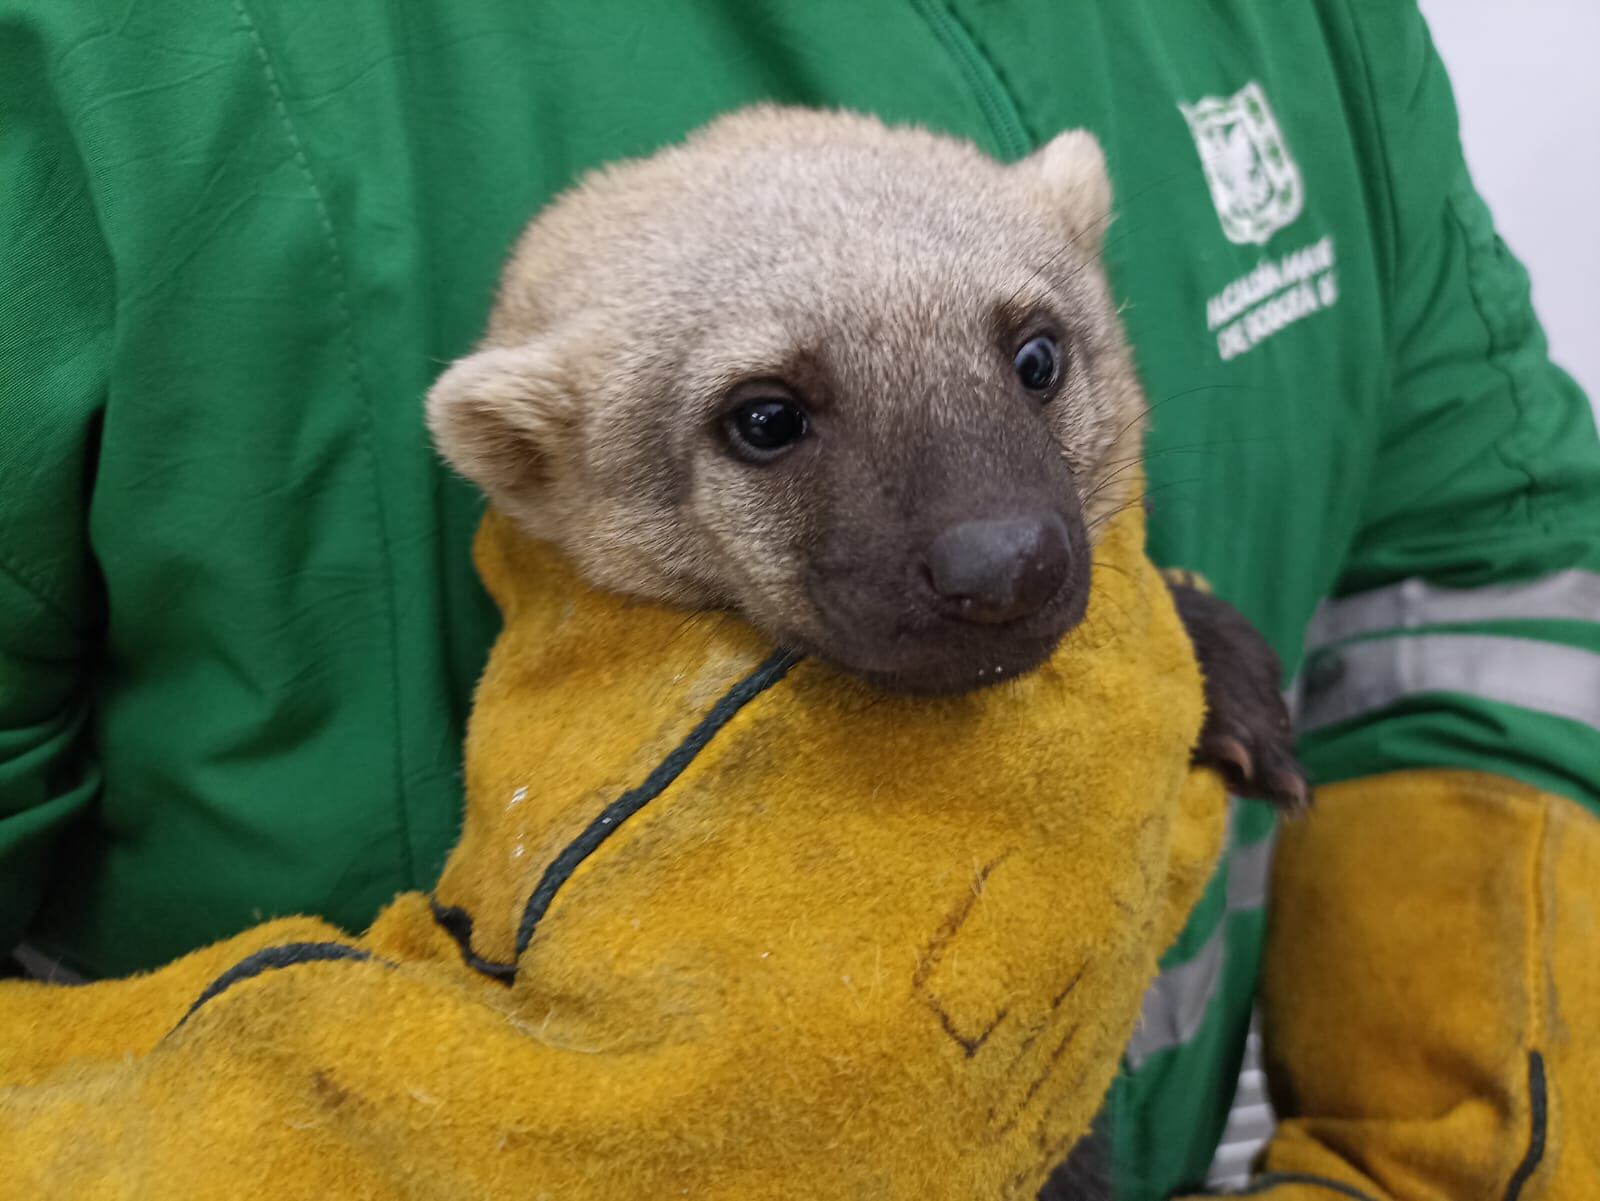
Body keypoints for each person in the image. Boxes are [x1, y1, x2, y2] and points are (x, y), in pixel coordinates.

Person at [2, 2, 1595, 1196]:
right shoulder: (106, 61)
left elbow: (1484, 543)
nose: (1005, 549)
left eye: (1032, 365)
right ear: (520, 448)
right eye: (770, 423)